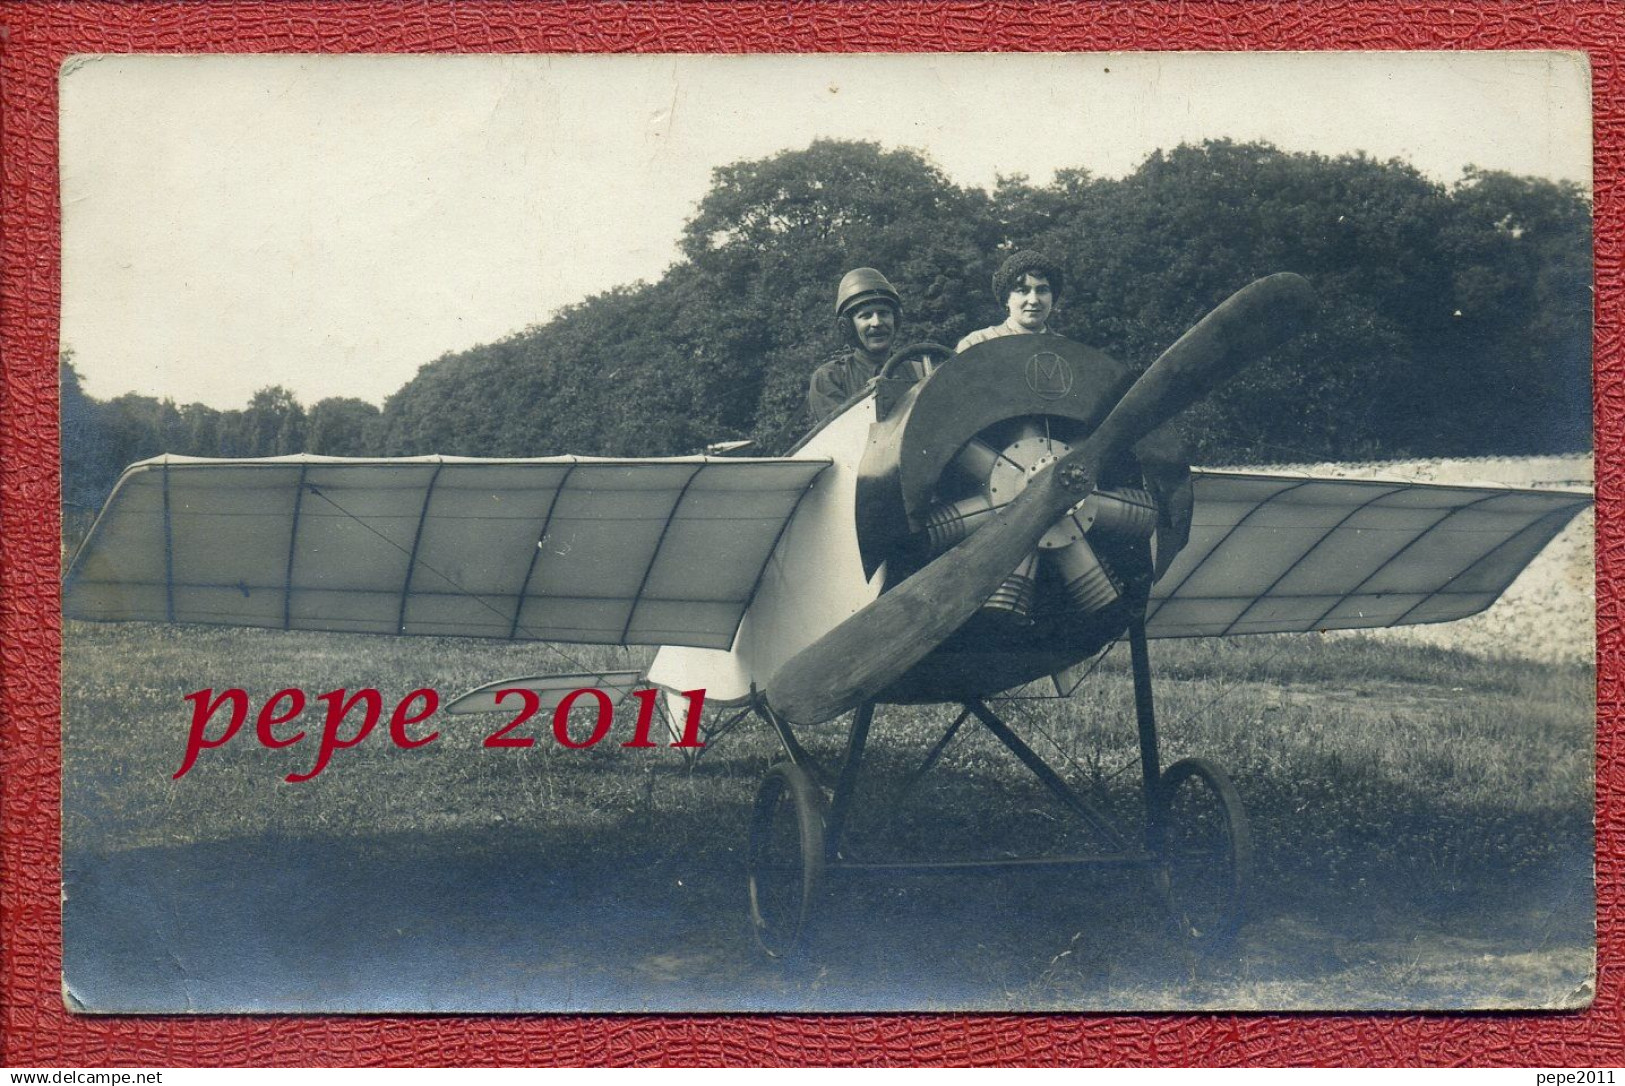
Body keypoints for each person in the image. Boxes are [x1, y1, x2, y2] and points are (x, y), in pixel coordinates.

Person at [807, 267, 904, 424]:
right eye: (866, 316)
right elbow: (846, 438)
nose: (877, 322)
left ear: (896, 319)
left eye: (884, 313)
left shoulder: (920, 369)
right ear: (848, 326)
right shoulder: (830, 378)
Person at [955, 250, 1064, 352]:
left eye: (1042, 290)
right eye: (1022, 291)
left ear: (1052, 297)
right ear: (1006, 298)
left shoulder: (1067, 350)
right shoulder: (977, 344)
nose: (1033, 300)